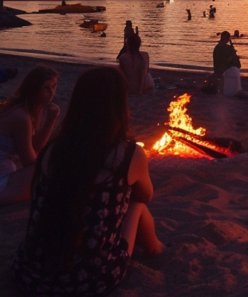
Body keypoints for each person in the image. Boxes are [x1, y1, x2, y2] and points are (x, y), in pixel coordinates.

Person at [14, 67, 163, 294]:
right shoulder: (127, 154)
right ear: (119, 106)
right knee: (137, 204)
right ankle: (156, 248)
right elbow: (146, 195)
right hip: (89, 280)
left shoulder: (53, 149)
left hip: (31, 272)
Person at [0, 65, 60, 205]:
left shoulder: (26, 108)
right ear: (34, 89)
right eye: (46, 88)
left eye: (54, 86)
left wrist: (50, 120)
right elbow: (30, 162)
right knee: (53, 167)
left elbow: (35, 146)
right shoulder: (21, 117)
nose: (52, 92)